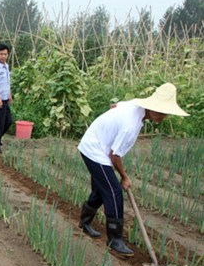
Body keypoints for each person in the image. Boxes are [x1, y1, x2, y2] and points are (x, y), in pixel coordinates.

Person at [78, 83, 189, 256]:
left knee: (102, 190)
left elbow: (116, 105)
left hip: (95, 144)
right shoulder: (131, 124)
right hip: (95, 150)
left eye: (165, 113)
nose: (163, 116)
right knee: (114, 192)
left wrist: (113, 119)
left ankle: (84, 222)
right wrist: (124, 177)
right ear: (151, 107)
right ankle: (115, 239)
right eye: (160, 112)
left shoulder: (135, 105)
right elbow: (114, 155)